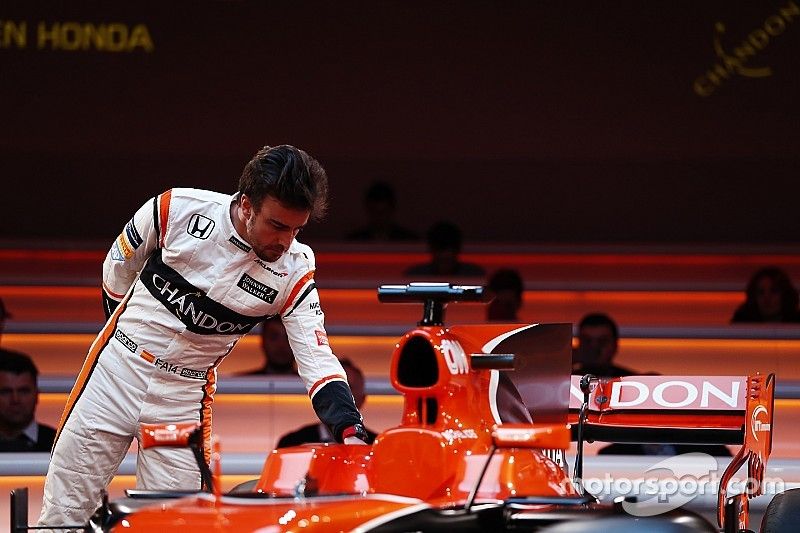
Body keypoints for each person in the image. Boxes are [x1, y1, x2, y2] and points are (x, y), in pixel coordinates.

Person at [39, 145, 369, 528]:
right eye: (277, 225)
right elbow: (117, 266)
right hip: (114, 374)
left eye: (297, 229)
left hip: (182, 398)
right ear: (247, 205)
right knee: (63, 514)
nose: (286, 241)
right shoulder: (175, 209)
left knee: (178, 523)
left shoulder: (295, 269)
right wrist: (122, 334)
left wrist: (350, 428)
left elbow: (317, 357)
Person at [277, 358, 377, 447]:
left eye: (347, 388)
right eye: (333, 387)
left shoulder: (377, 445)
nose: (340, 395)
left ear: (362, 399)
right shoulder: (292, 443)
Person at [0, 350, 57, 452]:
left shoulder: (59, 444)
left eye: (23, 391)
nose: (15, 399)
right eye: (6, 391)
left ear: (37, 395)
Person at [404, 221, 485, 277]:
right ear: (431, 249)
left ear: (458, 250)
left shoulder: (474, 275)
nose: (444, 255)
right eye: (440, 249)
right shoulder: (415, 276)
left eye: (448, 249)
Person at [346, 181, 418, 241]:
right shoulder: (354, 241)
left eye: (383, 212)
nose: (379, 218)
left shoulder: (408, 241)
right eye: (375, 212)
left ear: (392, 210)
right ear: (368, 210)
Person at [571, 313, 635, 377]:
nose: (594, 347)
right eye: (587, 341)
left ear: (614, 345)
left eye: (602, 341)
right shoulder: (566, 380)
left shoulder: (631, 381)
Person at [731, 266, 800, 323]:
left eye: (774, 291)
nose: (767, 298)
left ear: (785, 295)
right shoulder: (742, 322)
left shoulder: (796, 322)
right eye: (761, 292)